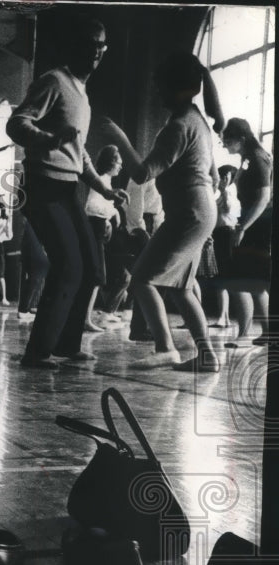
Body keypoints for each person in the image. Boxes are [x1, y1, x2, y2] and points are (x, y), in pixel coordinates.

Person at [6, 15, 128, 369]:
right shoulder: (54, 81)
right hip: (42, 184)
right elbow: (18, 122)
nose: (96, 52)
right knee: (68, 265)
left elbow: (79, 153)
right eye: (89, 44)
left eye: (101, 46)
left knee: (91, 268)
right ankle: (38, 351)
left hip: (68, 187)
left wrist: (105, 189)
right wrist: (48, 140)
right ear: (73, 47)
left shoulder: (81, 92)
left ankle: (66, 344)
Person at [102, 52, 223, 372]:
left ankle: (165, 348)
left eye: (159, 85)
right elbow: (215, 176)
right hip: (201, 209)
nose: (155, 92)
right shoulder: (198, 121)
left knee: (142, 280)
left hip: (189, 211)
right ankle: (208, 356)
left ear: (174, 86)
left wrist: (119, 136)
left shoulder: (180, 126)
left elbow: (142, 174)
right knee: (182, 288)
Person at [220, 117, 272, 345]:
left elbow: (264, 198)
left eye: (228, 140)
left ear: (241, 138)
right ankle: (270, 334)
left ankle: (243, 335)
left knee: (241, 280)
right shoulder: (248, 159)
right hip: (254, 223)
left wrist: (243, 227)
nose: (225, 144)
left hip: (258, 225)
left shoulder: (258, 158)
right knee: (253, 282)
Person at [84, 145, 124, 329]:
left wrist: (111, 214)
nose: (121, 166)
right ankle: (85, 320)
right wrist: (113, 211)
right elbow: (91, 207)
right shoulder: (101, 180)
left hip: (99, 228)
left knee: (97, 277)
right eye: (119, 162)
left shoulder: (106, 181)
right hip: (95, 228)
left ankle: (86, 319)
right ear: (111, 162)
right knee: (96, 276)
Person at [207, 164, 239, 328]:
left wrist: (224, 190)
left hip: (227, 234)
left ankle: (223, 317)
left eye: (225, 177)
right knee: (219, 276)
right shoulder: (221, 195)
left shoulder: (231, 194)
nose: (222, 181)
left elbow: (227, 209)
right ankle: (223, 317)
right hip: (219, 234)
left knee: (222, 276)